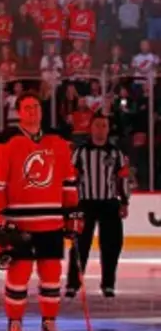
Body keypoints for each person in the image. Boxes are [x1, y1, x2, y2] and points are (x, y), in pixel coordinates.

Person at [0, 92, 80, 331]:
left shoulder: (58, 141)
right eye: (27, 108)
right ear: (18, 112)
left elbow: (68, 180)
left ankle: (49, 323)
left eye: (36, 107)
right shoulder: (6, 140)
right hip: (19, 223)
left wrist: (71, 213)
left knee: (51, 276)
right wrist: (1, 215)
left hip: (51, 221)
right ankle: (15, 322)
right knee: (19, 275)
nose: (32, 112)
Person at [66, 114, 131, 297]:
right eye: (97, 125)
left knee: (112, 245)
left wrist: (124, 202)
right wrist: (70, 204)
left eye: (104, 125)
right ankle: (73, 283)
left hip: (109, 203)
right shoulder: (80, 152)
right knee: (80, 245)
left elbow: (122, 179)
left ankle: (108, 284)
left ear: (108, 129)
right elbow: (71, 179)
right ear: (91, 128)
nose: (101, 129)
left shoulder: (116, 153)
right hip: (85, 204)